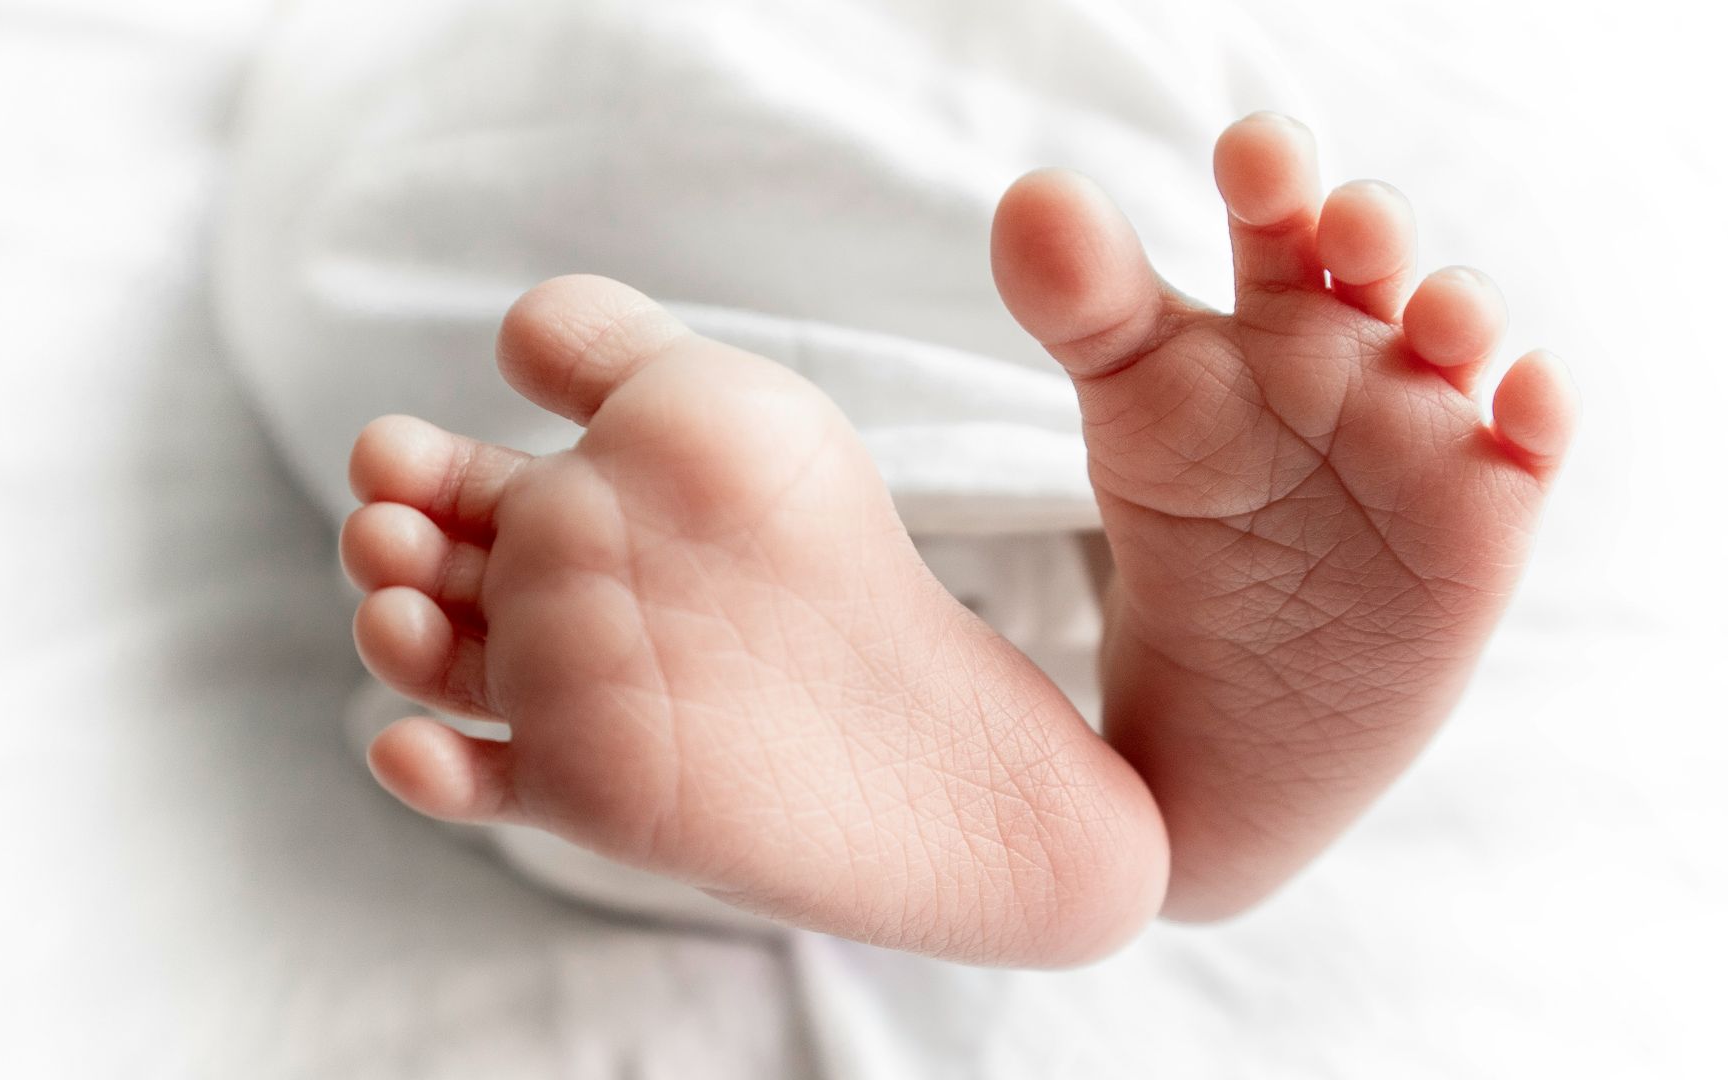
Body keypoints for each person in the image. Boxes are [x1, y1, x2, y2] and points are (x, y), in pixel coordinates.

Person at [222, 0, 1572, 968]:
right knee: (1131, 179)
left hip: (525, 144)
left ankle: (978, 720)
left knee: (490, 490)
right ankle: (1112, 665)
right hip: (1015, 167)